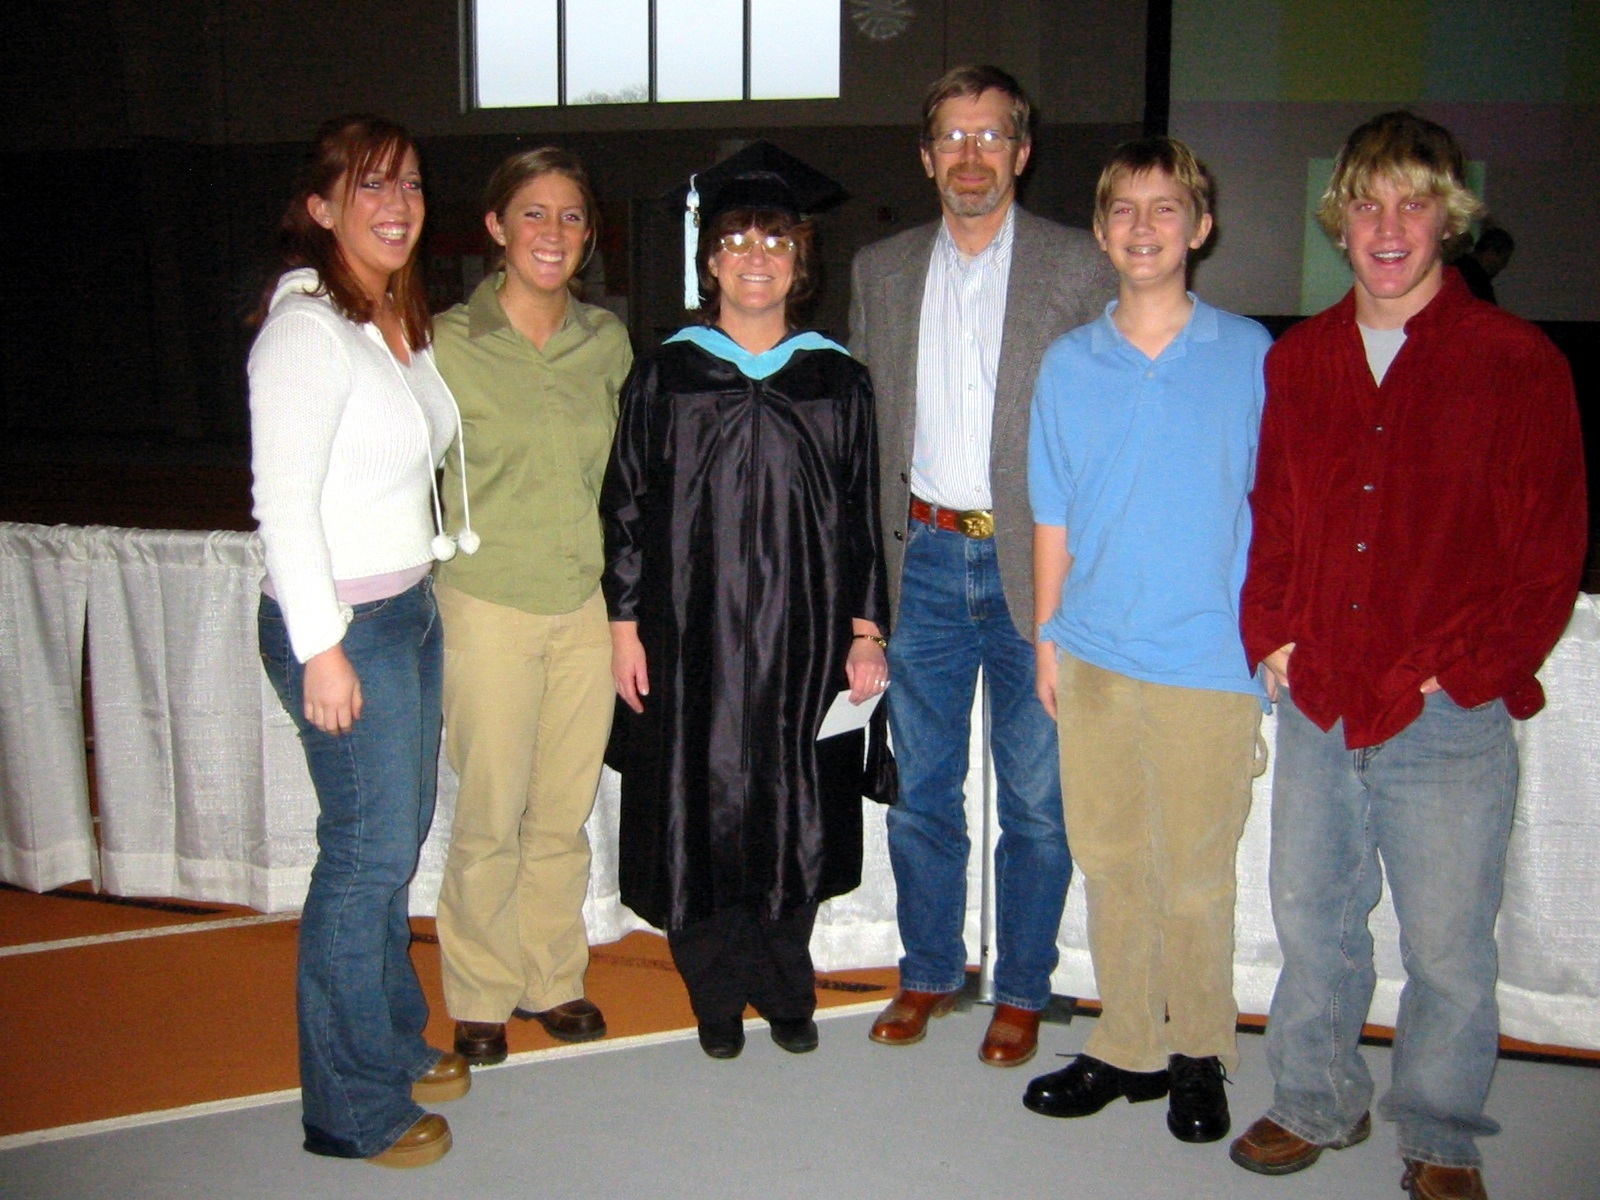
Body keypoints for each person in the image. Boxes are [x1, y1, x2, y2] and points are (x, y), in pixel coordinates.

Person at [1229, 112, 1586, 1200]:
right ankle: (1313, 1100)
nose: (1388, 228)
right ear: (1339, 222)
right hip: (1320, 698)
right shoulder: (1301, 361)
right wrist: (1273, 636)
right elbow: (1273, 518)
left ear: (1449, 219)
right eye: (1367, 205)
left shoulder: (1516, 364)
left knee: (1447, 948)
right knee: (1314, 924)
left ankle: (1439, 1133)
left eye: (1413, 204)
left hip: (1445, 715)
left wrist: (1463, 674)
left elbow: (1550, 553)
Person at [849, 64, 1114, 1067]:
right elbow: (862, 440)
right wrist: (861, 600)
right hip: (918, 560)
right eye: (952, 138)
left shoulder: (1079, 265)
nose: (971, 156)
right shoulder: (880, 269)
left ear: (1023, 151)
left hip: (1033, 565)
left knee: (1037, 800)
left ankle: (1023, 986)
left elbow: (1104, 436)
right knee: (923, 791)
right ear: (926, 158)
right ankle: (928, 970)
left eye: (990, 135)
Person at [601, 157, 890, 1061]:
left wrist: (866, 631)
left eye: (775, 240)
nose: (755, 256)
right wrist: (623, 625)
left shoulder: (836, 379)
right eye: (735, 240)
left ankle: (784, 982)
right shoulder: (668, 374)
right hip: (689, 637)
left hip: (806, 637)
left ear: (800, 261)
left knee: (795, 804)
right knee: (698, 807)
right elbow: (625, 505)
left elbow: (861, 514)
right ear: (710, 262)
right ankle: (715, 993)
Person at [1021, 137, 1269, 1144]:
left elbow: (1283, 507)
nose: (1143, 226)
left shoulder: (1252, 356)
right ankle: (1126, 1044)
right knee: (1113, 863)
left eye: (1166, 208)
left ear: (1200, 227)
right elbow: (1051, 515)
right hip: (1092, 656)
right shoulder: (1067, 363)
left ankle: (1198, 1051)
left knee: (1197, 877)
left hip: (1209, 662)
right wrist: (1048, 641)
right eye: (1122, 208)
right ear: (1098, 229)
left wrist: (1275, 635)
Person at [250, 114, 468, 1168]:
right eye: (371, 185)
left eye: (411, 184)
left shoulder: (388, 318)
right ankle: (348, 1109)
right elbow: (282, 506)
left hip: (405, 611)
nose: (397, 204)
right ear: (321, 207)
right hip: (344, 626)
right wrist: (321, 648)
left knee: (392, 845)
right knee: (364, 859)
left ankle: (388, 1040)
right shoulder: (306, 331)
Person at [430, 149, 632, 1068]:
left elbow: (624, 481)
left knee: (561, 809)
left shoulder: (607, 342)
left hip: (582, 605)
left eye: (571, 216)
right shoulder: (441, 343)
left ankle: (552, 977)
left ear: (589, 235)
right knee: (490, 813)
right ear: (496, 227)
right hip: (486, 605)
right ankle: (479, 991)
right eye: (534, 213)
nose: (554, 232)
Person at [1454, 226, 1513, 305]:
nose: (1502, 266)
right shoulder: (1479, 283)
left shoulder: (1456, 268)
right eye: (1503, 260)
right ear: (1491, 251)